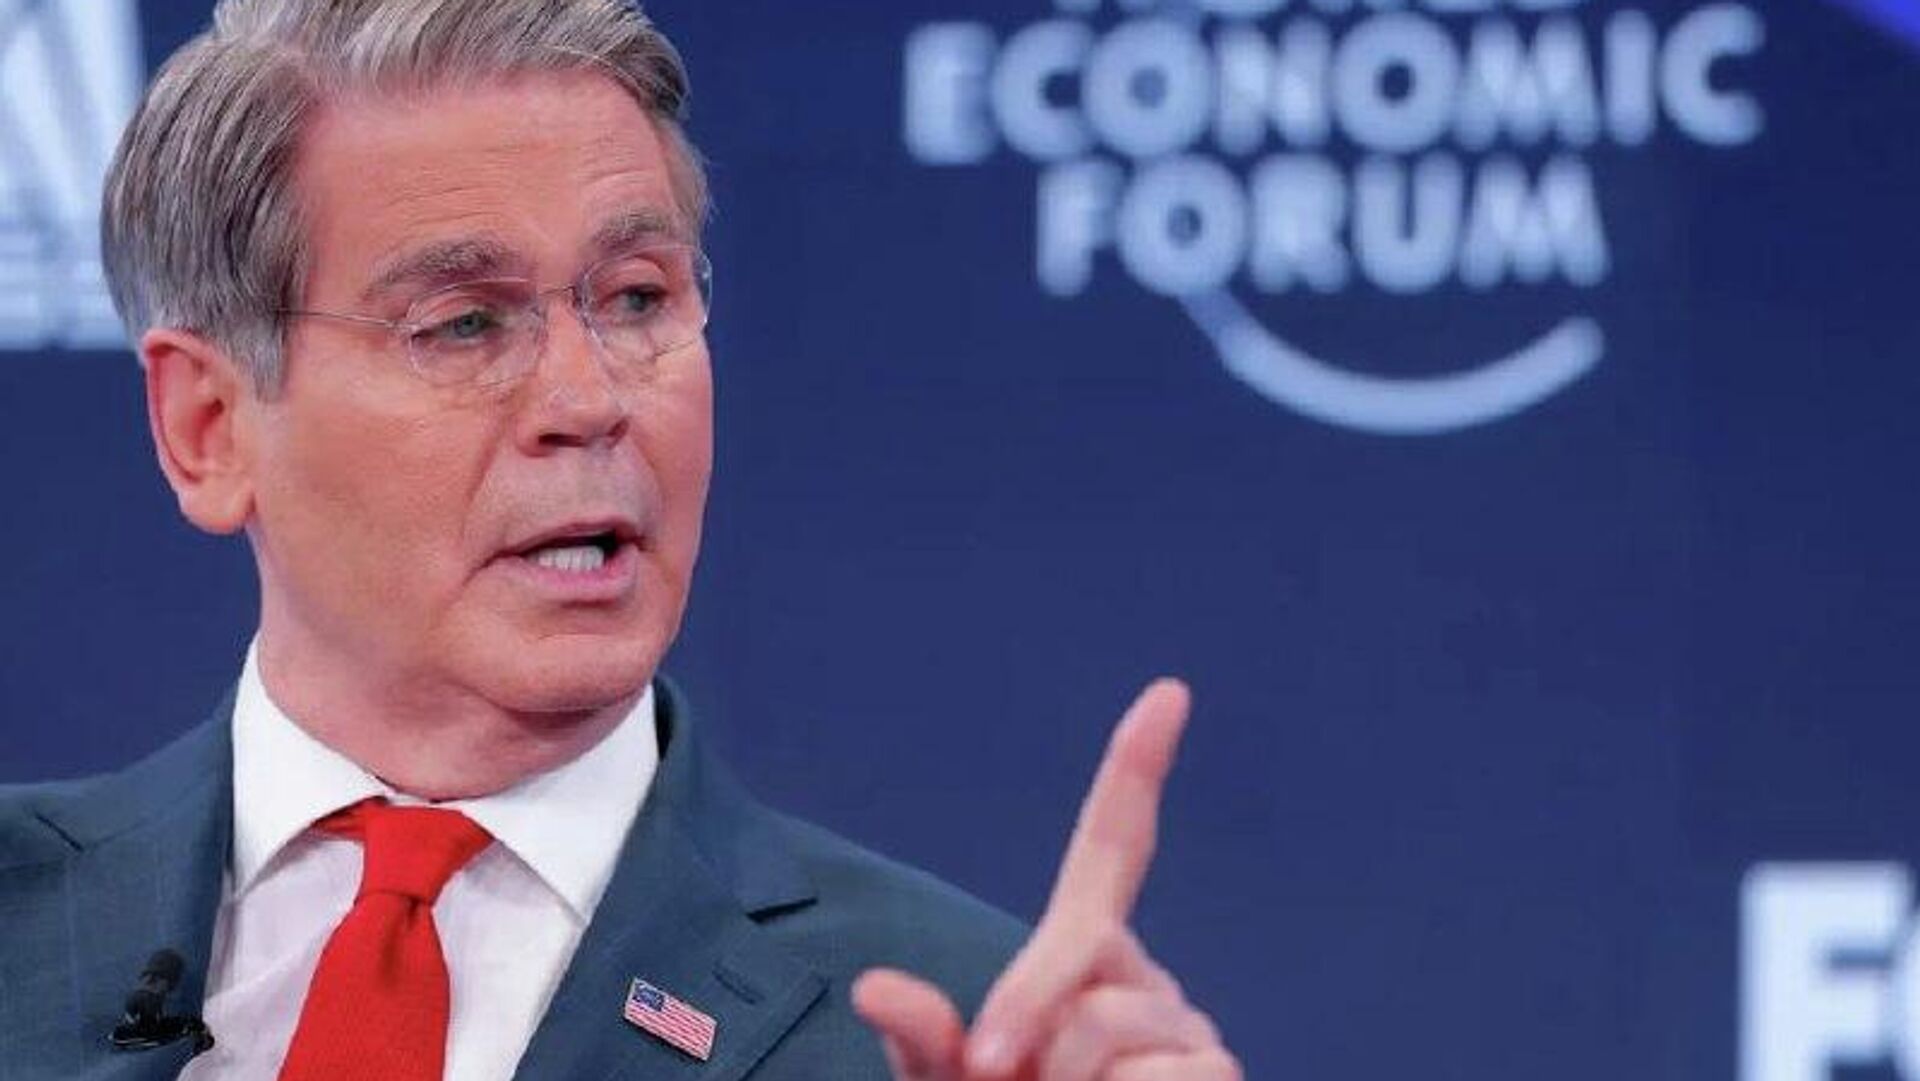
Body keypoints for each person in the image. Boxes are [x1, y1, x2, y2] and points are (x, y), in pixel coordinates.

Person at [0, 2, 1241, 1079]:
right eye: (465, 324)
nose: (589, 399)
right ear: (210, 427)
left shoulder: (942, 1028)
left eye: (639, 297)